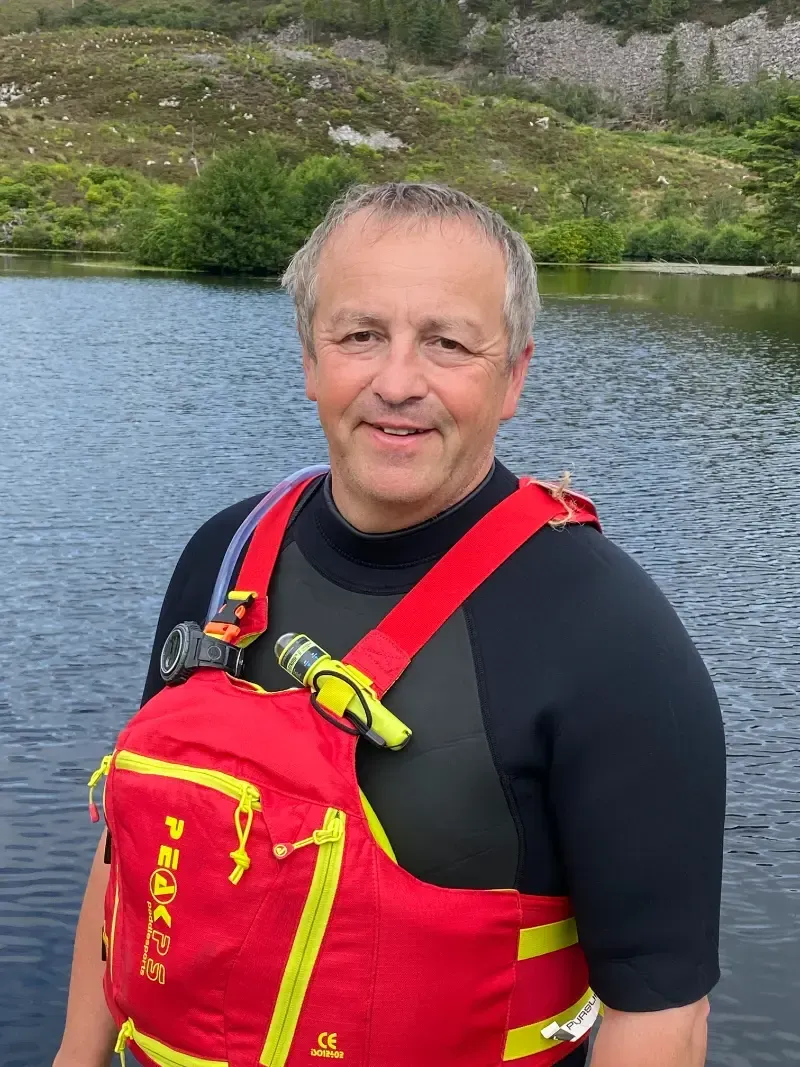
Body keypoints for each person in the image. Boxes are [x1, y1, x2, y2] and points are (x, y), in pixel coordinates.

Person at [55, 182, 726, 1067]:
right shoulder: (224, 554)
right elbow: (133, 856)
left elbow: (662, 1012)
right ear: (309, 357)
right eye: (360, 335)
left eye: (447, 342)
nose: (398, 382)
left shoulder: (609, 635)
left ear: (514, 375)